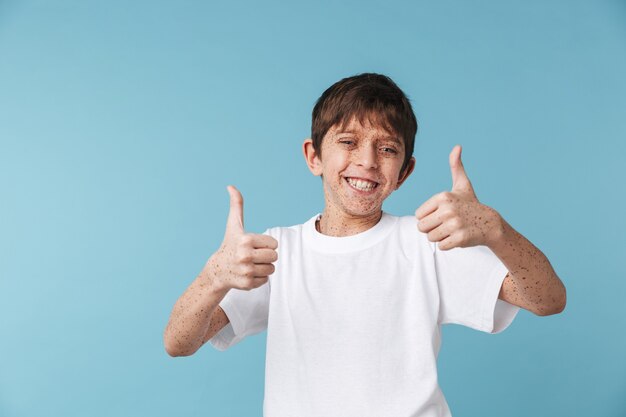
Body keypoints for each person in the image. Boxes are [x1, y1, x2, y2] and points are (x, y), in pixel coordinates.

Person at [163, 73, 567, 417]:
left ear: (404, 172)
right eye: (348, 142)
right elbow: (178, 343)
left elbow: (548, 299)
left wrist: (498, 231)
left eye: (387, 148)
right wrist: (213, 276)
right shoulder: (277, 252)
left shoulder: (427, 243)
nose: (368, 161)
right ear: (313, 156)